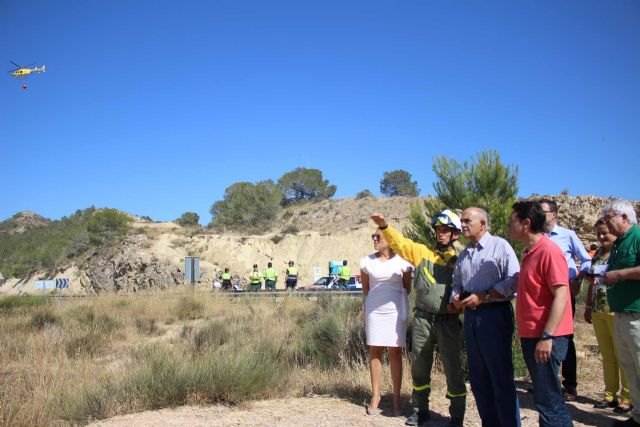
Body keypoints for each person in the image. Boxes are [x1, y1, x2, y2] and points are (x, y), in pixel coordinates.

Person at [371, 210, 467, 427]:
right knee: (419, 368)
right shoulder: (422, 253)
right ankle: (419, 411)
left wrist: (461, 307)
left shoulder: (462, 261)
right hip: (423, 320)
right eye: (438, 230)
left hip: (448, 323)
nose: (440, 234)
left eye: (446, 230)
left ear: (455, 235)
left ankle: (457, 416)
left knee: (453, 369)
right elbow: (400, 243)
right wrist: (385, 226)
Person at [451, 207, 521, 427]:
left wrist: (485, 295)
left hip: (494, 316)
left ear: (482, 223)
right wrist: (455, 296)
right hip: (471, 319)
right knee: (479, 379)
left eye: (467, 220)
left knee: (499, 376)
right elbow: (457, 283)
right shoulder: (464, 254)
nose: (462, 224)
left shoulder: (500, 246)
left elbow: (514, 280)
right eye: (461, 220)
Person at [509, 201, 574, 427]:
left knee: (549, 400)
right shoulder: (530, 252)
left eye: (512, 220)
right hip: (534, 336)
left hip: (546, 337)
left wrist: (547, 336)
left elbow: (562, 295)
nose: (508, 224)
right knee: (545, 397)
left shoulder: (548, 251)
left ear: (526, 224)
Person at [539, 198, 592, 401]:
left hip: (564, 293)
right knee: (543, 336)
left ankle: (569, 385)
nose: (539, 215)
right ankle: (546, 384)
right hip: (542, 297)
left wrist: (578, 278)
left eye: (542, 211)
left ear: (554, 214)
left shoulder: (567, 235)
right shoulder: (538, 237)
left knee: (565, 338)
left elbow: (586, 259)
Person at [360, 228, 412, 417]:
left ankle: (397, 398)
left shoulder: (403, 261)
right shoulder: (367, 262)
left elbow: (407, 287)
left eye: (378, 236)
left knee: (395, 351)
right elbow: (366, 288)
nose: (374, 238)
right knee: (375, 350)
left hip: (395, 309)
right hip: (375, 309)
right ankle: (376, 395)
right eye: (372, 235)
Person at [584, 219, 631, 413]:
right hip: (598, 310)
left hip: (615, 309)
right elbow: (593, 282)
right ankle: (610, 394)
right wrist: (587, 306)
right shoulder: (597, 255)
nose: (602, 237)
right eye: (598, 234)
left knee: (623, 356)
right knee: (607, 355)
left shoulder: (619, 254)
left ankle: (628, 397)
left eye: (605, 233)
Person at [601, 200, 640, 427]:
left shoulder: (636, 237)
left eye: (609, 219)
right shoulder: (619, 243)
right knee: (630, 367)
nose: (606, 224)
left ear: (624, 218)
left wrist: (620, 274)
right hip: (621, 314)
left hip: (637, 315)